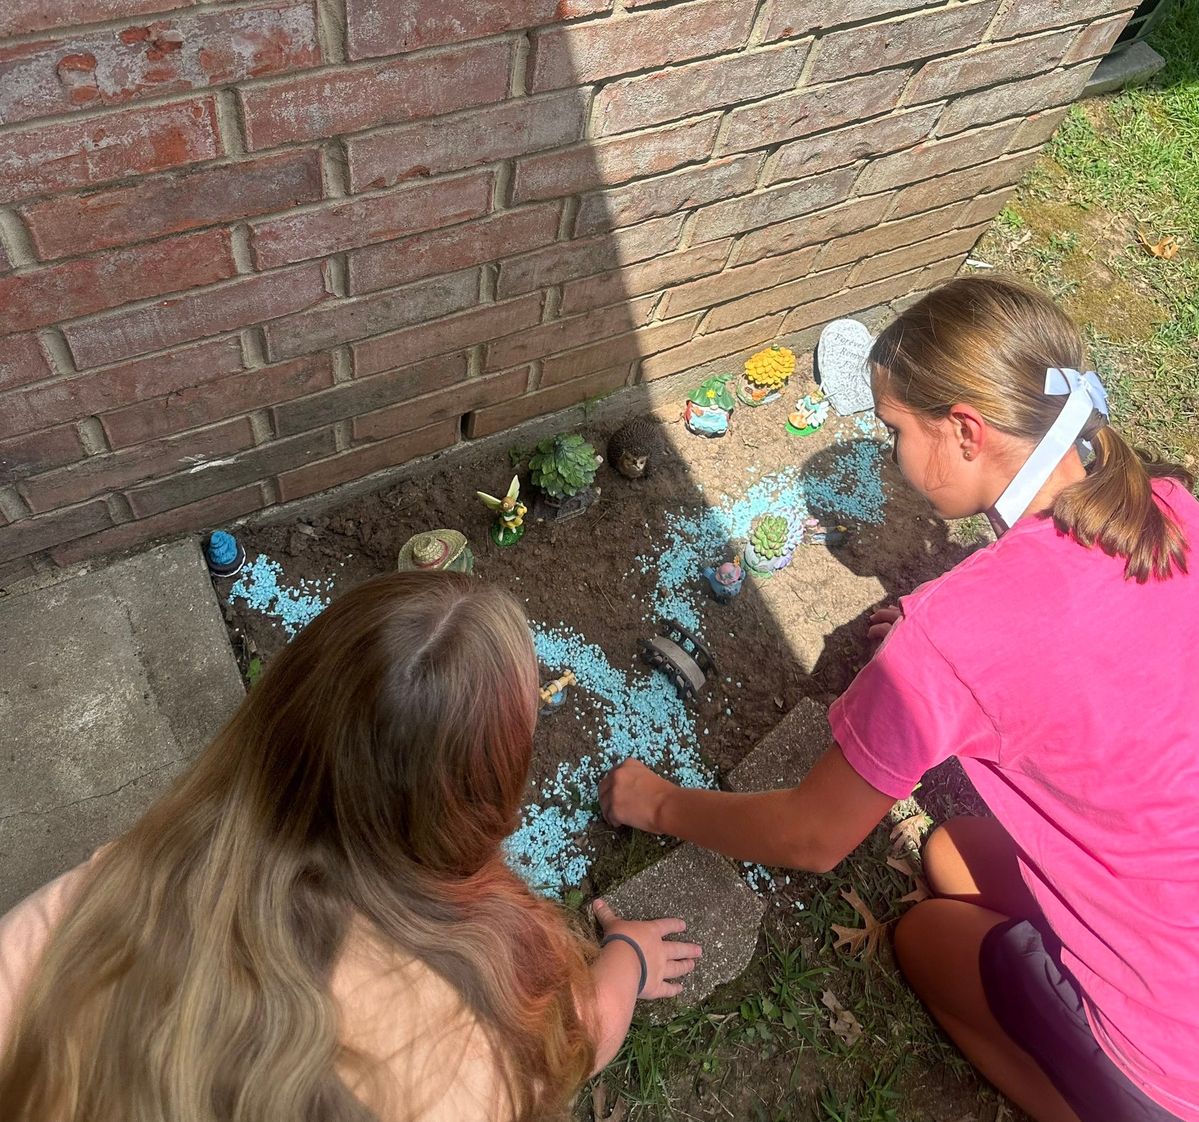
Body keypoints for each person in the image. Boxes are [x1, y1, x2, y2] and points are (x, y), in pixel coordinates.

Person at [600, 277, 1198, 1122]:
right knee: (951, 855)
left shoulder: (950, 635)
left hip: (1169, 1060)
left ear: (964, 429)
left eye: (894, 433)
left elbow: (812, 837)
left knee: (923, 935)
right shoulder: (1166, 504)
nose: (890, 457)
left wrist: (656, 802)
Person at [0, 571, 701, 1122]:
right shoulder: (479, 1018)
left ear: (280, 714)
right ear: (482, 795)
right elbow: (577, 1038)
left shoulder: (73, 916)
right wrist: (629, 960)